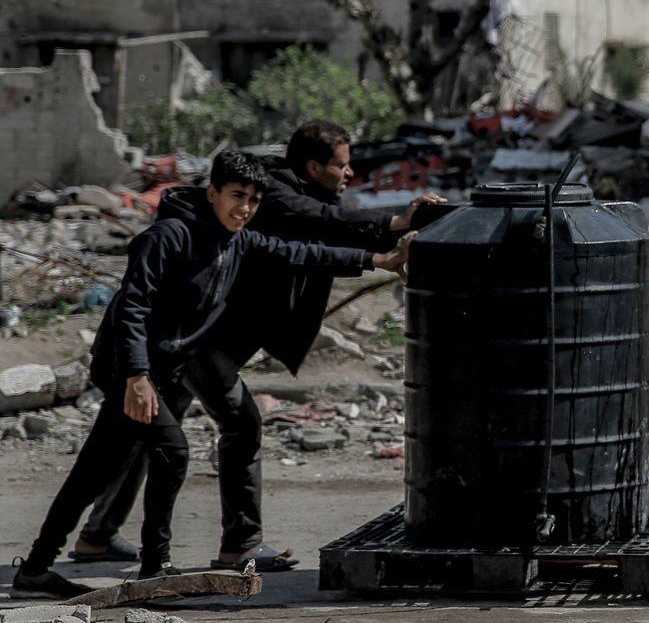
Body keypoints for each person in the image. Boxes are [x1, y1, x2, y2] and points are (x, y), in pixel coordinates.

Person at [11, 150, 414, 598]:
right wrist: (136, 377)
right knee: (172, 451)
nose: (244, 208)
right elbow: (132, 310)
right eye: (237, 196)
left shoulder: (237, 241)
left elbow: (302, 252)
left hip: (162, 372)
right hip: (133, 373)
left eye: (254, 201)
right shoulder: (167, 237)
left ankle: (36, 569)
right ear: (212, 193)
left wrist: (377, 259)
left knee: (91, 473)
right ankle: (155, 565)